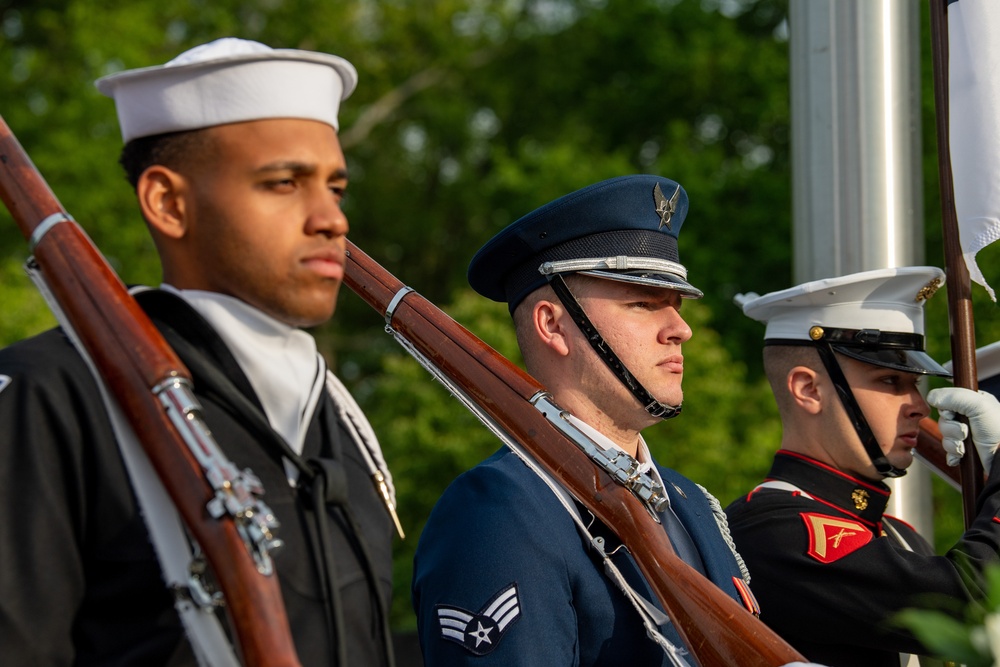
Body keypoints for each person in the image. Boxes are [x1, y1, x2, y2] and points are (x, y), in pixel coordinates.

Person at [0, 38, 400, 666]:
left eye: (336, 188)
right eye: (283, 183)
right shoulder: (49, 394)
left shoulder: (343, 421)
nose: (331, 219)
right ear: (168, 203)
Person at [411, 175, 763, 666]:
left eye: (677, 307)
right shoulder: (501, 510)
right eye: (643, 303)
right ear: (553, 325)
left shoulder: (693, 505)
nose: (680, 329)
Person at [725, 267, 1000, 667]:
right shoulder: (775, 530)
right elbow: (970, 599)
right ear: (809, 389)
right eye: (890, 381)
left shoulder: (899, 537)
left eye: (916, 386)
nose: (919, 407)